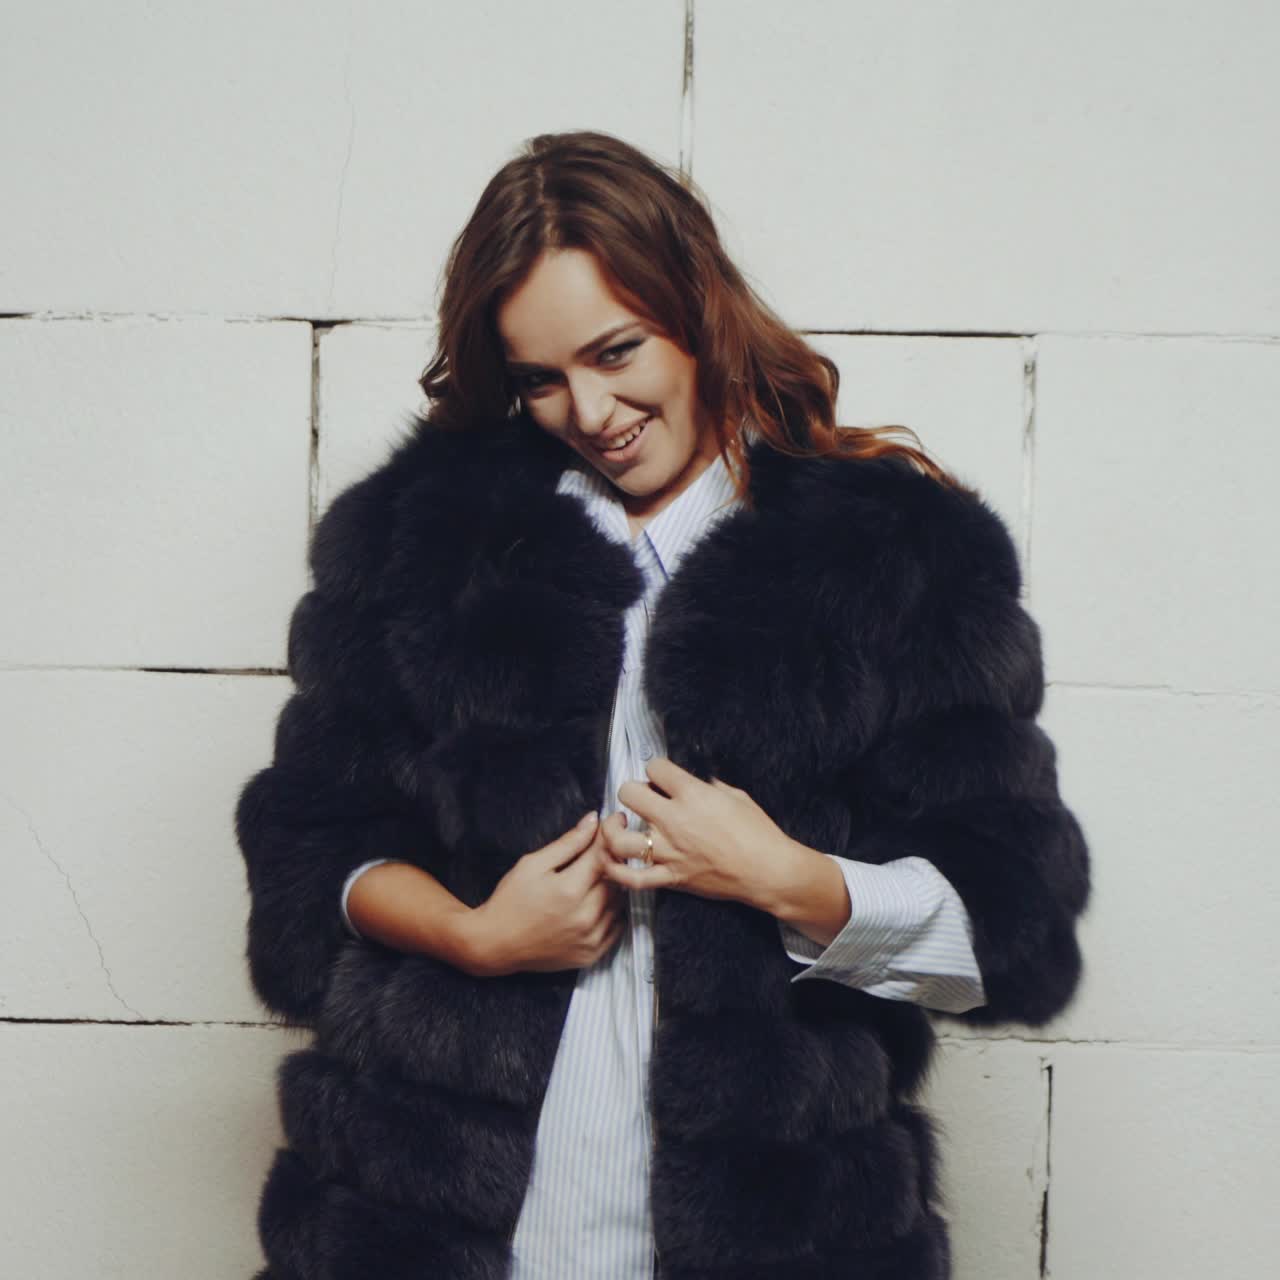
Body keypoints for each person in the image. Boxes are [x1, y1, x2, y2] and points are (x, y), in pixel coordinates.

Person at [235, 130, 1090, 1280]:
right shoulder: (419, 543)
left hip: (780, 1235)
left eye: (615, 349)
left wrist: (792, 878)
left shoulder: (894, 554)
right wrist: (475, 935)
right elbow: (306, 860)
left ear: (695, 305)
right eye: (541, 378)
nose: (589, 408)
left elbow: (1016, 927)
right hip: (423, 1221)